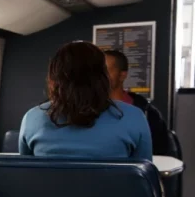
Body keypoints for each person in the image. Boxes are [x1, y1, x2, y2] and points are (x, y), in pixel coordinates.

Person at [18, 41, 152, 160]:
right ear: (103, 77)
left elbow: (26, 172)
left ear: (54, 78)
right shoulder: (133, 117)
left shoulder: (32, 118)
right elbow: (144, 172)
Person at [104, 49, 169, 155]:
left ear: (122, 75)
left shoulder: (147, 114)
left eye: (106, 71)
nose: (100, 76)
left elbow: (159, 155)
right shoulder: (88, 110)